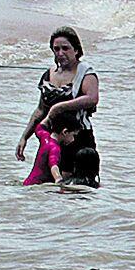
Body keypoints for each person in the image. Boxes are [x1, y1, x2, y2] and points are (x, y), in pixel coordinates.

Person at [18, 25, 99, 185]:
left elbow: (92, 98)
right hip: (54, 138)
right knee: (51, 186)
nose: (60, 53)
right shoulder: (49, 75)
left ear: (76, 50)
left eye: (65, 48)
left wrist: (59, 107)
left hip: (78, 137)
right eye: (56, 49)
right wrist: (24, 137)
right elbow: (41, 109)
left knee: (81, 188)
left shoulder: (86, 73)